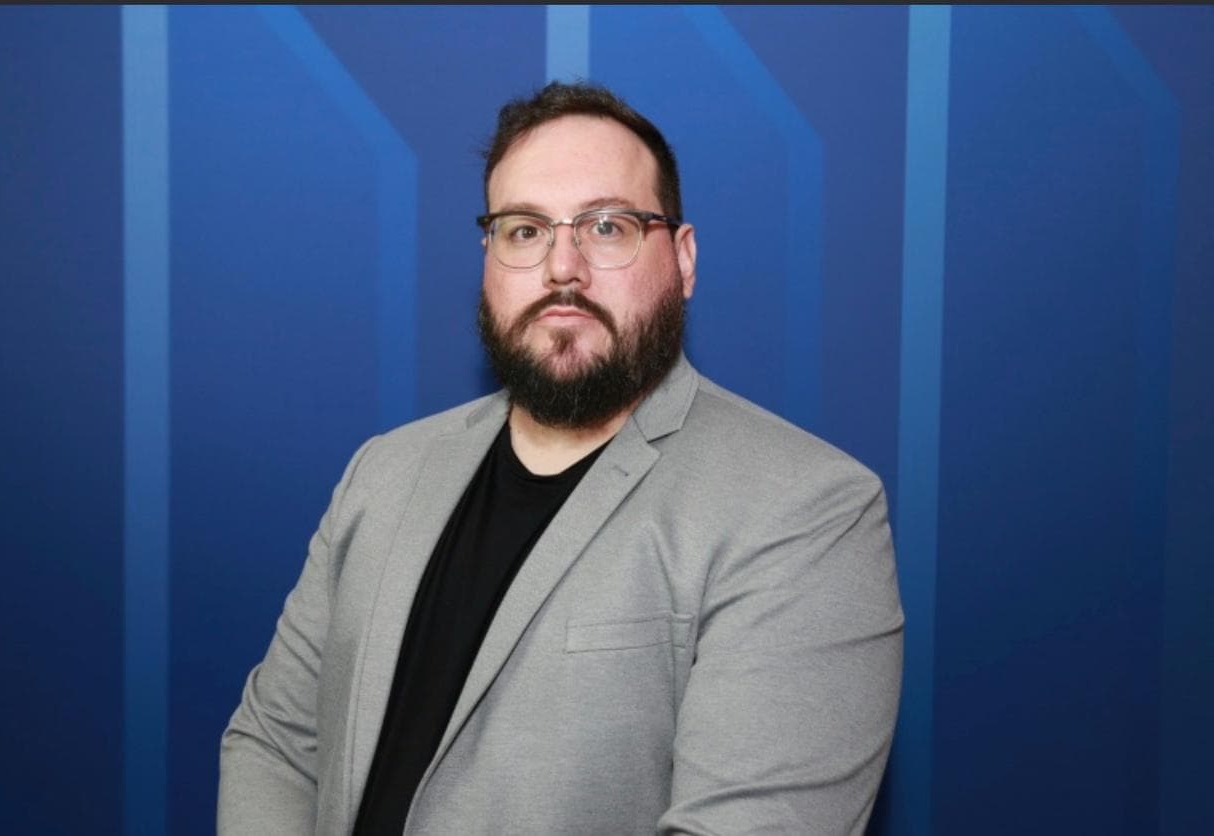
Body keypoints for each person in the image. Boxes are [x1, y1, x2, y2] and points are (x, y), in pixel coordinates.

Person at [218, 81, 903, 835]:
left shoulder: (806, 509)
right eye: (525, 230)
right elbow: (277, 744)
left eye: (607, 227)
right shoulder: (384, 472)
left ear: (683, 259)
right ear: (488, 256)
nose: (562, 267)